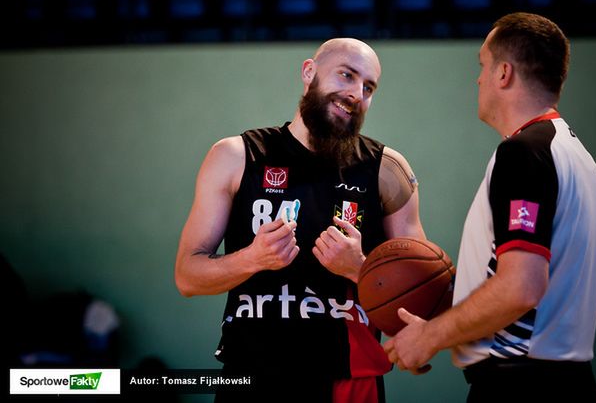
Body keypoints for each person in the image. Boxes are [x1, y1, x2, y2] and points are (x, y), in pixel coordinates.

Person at [175, 38, 426, 402]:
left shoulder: (387, 170)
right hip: (251, 375)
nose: (357, 93)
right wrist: (252, 258)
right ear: (309, 73)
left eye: (368, 87)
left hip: (348, 380)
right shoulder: (236, 156)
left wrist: (360, 269)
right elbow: (186, 276)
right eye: (347, 75)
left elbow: (419, 300)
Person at [383, 12, 596, 402]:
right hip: (565, 382)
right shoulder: (574, 154)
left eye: (483, 66)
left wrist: (430, 337)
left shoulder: (524, 154)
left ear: (504, 73)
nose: (478, 78)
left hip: (521, 385)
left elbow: (520, 287)